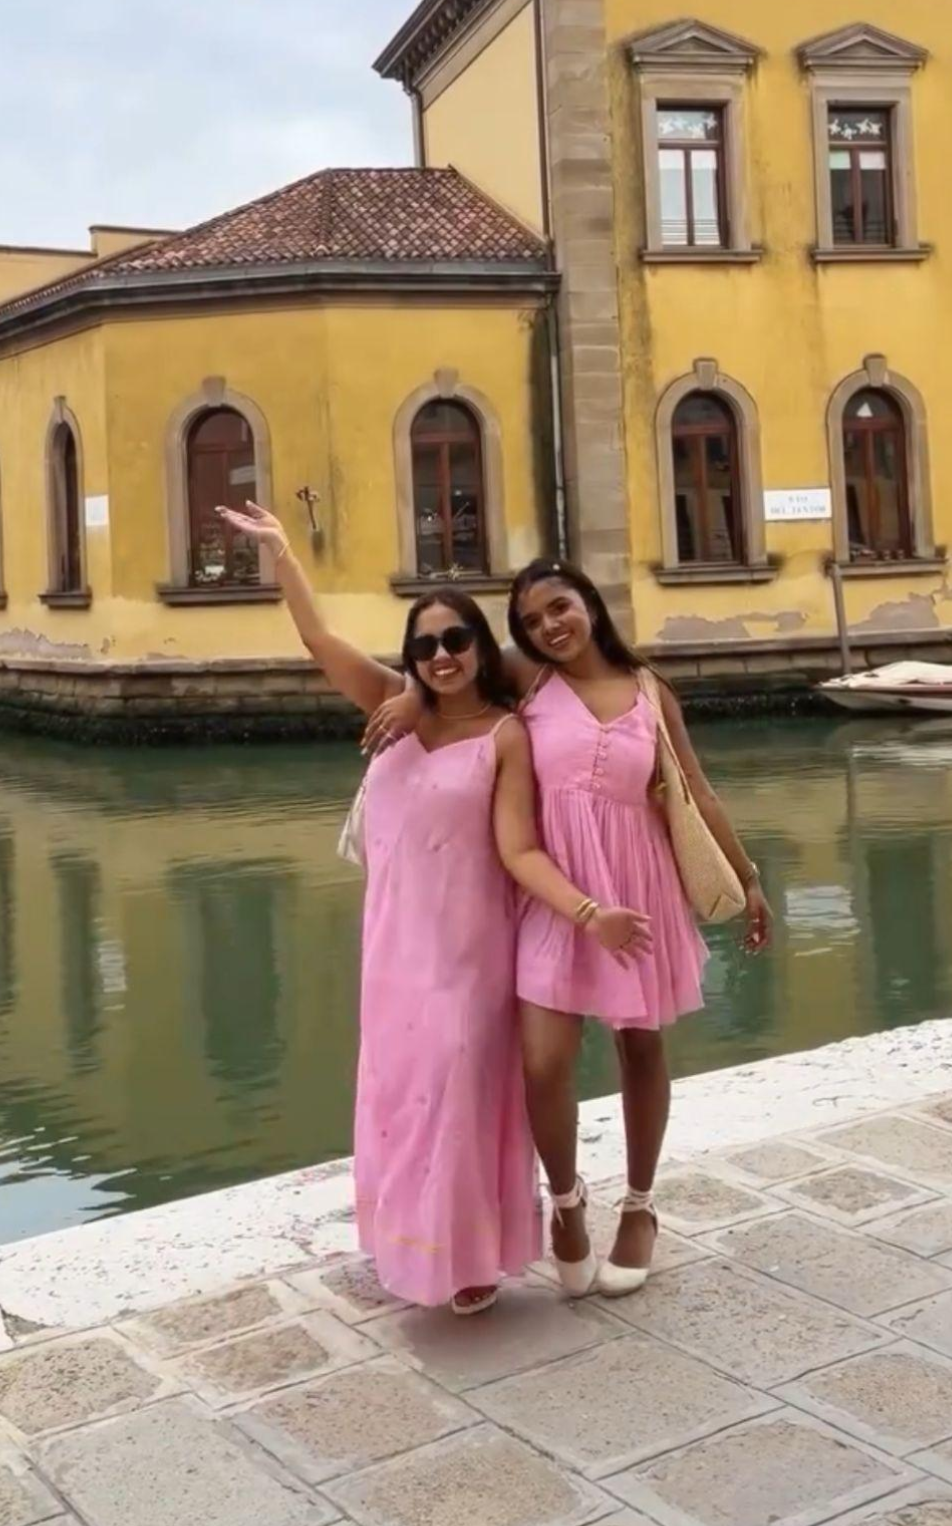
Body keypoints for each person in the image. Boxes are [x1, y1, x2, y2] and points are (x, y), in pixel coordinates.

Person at [215, 505, 650, 1316]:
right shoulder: (387, 704)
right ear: (409, 658)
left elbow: (521, 852)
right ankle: (407, 1246)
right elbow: (318, 643)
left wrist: (591, 914)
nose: (442, 655)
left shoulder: (505, 735)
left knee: (457, 1094)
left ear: (482, 647)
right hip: (392, 946)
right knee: (400, 1097)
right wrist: (283, 557)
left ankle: (472, 1256)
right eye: (425, 645)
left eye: (456, 641)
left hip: (470, 947)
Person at [364, 556, 772, 1301]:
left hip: (636, 885)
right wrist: (411, 702)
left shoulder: (650, 691)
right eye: (530, 620)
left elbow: (696, 790)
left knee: (638, 1047)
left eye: (559, 607)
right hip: (554, 892)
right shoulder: (528, 677)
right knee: (543, 1061)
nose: (548, 626)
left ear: (588, 603)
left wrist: (747, 877)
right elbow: (456, 677)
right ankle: (565, 1198)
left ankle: (640, 1208)